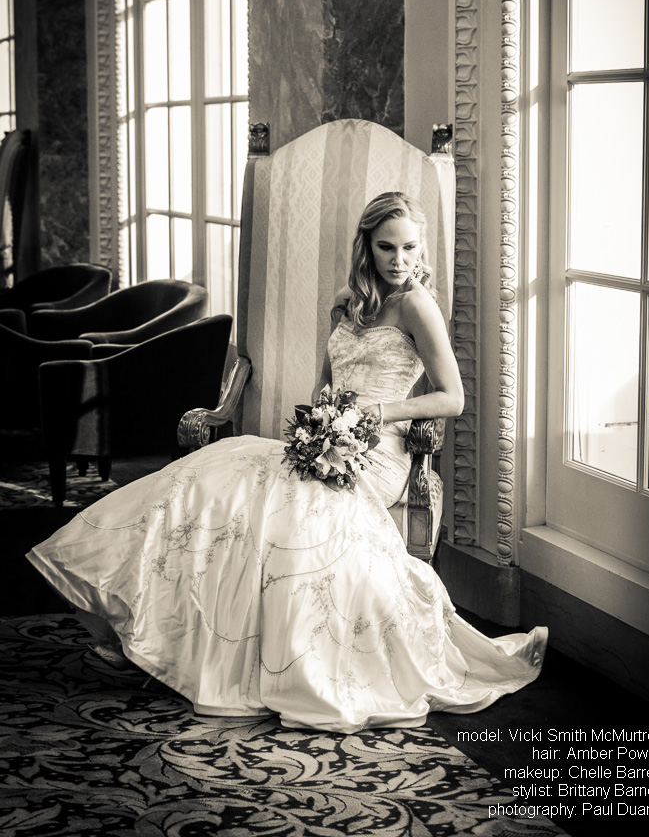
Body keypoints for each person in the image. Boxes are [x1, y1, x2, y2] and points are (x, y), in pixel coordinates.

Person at [27, 192, 547, 733]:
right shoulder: (347, 299)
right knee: (209, 480)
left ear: (421, 249)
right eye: (387, 247)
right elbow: (326, 381)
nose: (399, 260)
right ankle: (155, 631)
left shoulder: (418, 305)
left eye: (410, 248)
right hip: (326, 439)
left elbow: (452, 398)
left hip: (378, 454)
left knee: (283, 510)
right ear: (366, 247)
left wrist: (376, 413)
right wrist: (316, 425)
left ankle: (252, 660)